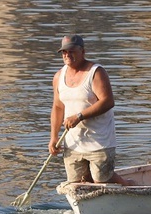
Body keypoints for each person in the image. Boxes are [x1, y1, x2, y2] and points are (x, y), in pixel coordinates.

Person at [49, 34, 132, 186]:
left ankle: (130, 185)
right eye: (64, 52)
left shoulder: (96, 72)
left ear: (83, 52)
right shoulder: (59, 76)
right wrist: (54, 136)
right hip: (73, 142)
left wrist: (79, 116)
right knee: (76, 184)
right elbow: (57, 107)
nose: (67, 55)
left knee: (102, 179)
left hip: (99, 140)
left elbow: (107, 101)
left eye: (72, 51)